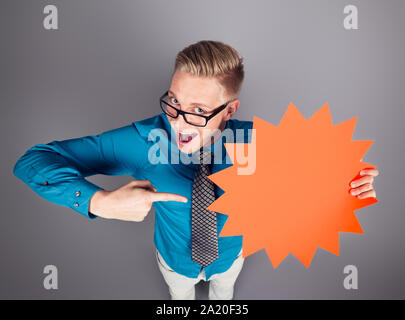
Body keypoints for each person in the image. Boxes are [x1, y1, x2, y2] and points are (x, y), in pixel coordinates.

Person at [13, 40, 379, 300]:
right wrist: (97, 201)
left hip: (232, 256)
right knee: (179, 298)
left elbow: (309, 180)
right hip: (173, 261)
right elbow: (32, 162)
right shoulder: (141, 140)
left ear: (230, 110)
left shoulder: (259, 142)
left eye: (199, 110)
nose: (179, 122)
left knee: (225, 295)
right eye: (174, 101)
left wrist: (351, 187)